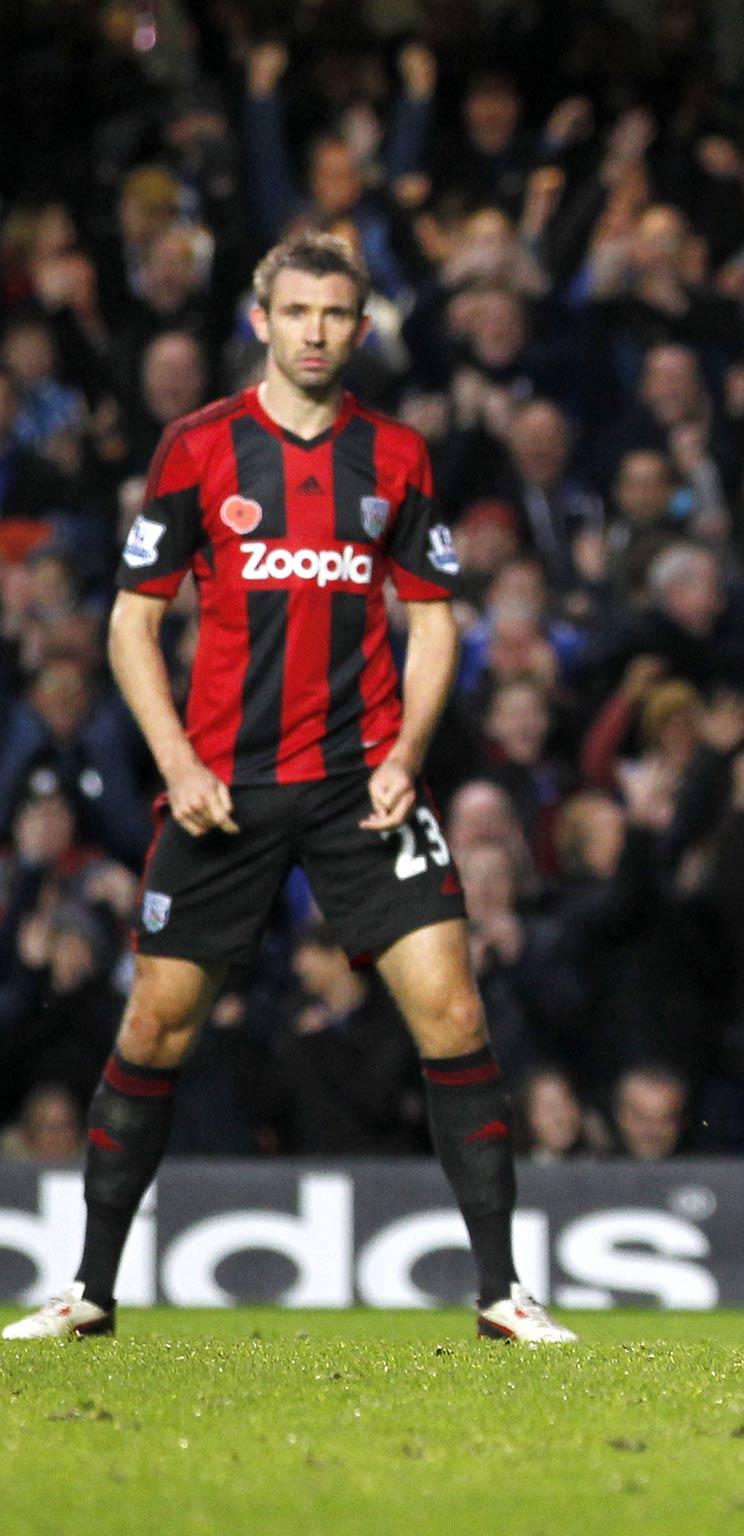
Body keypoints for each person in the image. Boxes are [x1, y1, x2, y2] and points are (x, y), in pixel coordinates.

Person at [4, 234, 572, 1346]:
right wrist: (176, 766)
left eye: (336, 314)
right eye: (297, 311)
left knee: (453, 1013)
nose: (316, 331)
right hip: (224, 786)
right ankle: (89, 1292)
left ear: (360, 331)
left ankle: (502, 1292)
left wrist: (409, 753)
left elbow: (432, 624)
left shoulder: (397, 457)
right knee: (157, 1026)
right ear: (262, 320)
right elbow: (131, 622)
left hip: (363, 785)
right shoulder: (199, 446)